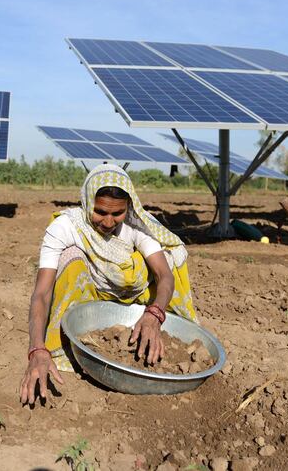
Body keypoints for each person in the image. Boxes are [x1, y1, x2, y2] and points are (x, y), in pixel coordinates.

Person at [19, 164, 198, 404]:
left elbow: (165, 276)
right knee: (70, 258)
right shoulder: (65, 227)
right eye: (101, 212)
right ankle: (65, 343)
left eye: (117, 213)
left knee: (165, 258)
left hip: (136, 296)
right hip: (92, 297)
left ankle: (163, 327)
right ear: (86, 202)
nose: (108, 221)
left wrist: (155, 314)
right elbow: (41, 293)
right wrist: (37, 349)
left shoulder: (137, 225)